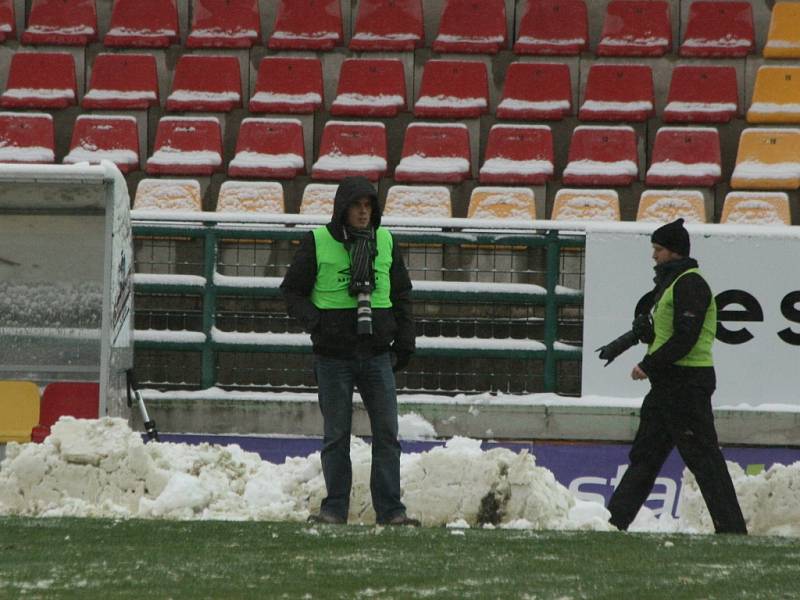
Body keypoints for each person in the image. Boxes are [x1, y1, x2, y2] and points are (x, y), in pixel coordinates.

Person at [281, 176, 419, 526]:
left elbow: (402, 294)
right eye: (356, 205)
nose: (362, 212)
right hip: (333, 357)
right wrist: (318, 324)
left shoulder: (386, 241)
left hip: (376, 353)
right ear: (342, 208)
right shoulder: (317, 241)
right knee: (336, 436)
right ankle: (335, 508)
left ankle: (391, 511)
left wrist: (405, 339)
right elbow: (291, 292)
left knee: (387, 434)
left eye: (368, 205)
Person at [607, 218, 747, 534]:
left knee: (704, 460)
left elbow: (686, 337)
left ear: (674, 252)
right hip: (668, 386)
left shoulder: (690, 284)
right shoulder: (671, 285)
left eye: (658, 250)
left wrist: (649, 364)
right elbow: (668, 332)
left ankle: (733, 530)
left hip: (687, 385)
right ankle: (614, 522)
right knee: (645, 456)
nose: (653, 256)